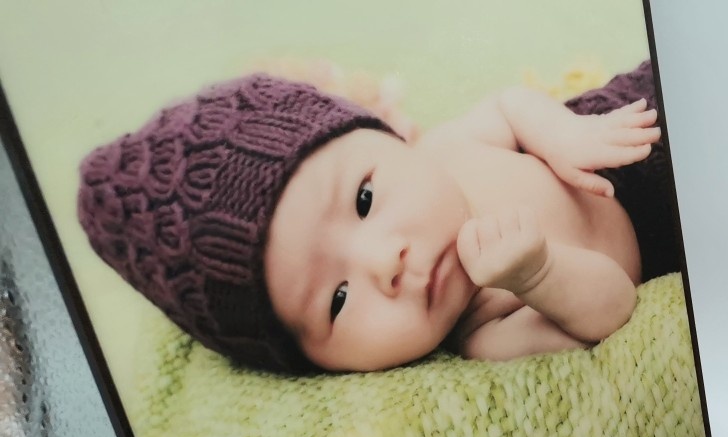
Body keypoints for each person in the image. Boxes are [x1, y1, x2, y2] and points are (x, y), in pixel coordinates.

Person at [77, 64, 680, 372]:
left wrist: (561, 132)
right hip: (669, 219)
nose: (385, 261)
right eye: (337, 300)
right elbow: (614, 305)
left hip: (622, 120)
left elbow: (509, 106)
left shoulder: (445, 149)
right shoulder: (484, 330)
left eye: (364, 201)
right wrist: (538, 274)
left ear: (387, 138)